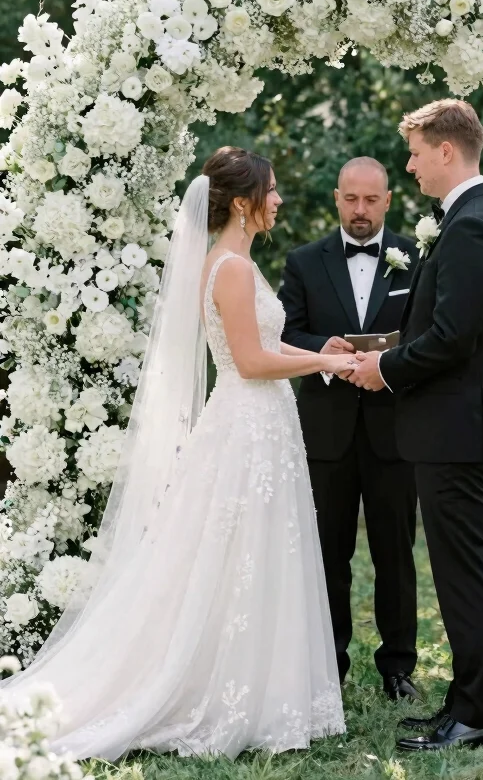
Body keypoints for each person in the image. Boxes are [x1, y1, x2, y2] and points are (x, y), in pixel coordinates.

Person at [1, 147, 352, 760]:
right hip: (247, 424)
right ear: (243, 203)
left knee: (246, 554)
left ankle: (253, 684)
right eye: (271, 191)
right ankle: (218, 691)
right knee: (236, 553)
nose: (278, 201)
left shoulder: (232, 260)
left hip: (259, 421)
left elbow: (260, 346)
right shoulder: (233, 268)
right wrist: (323, 362)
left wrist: (320, 349)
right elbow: (248, 362)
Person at [349, 100, 483, 753]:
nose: (410, 165)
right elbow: (446, 330)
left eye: (417, 152)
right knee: (457, 571)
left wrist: (384, 369)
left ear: (447, 151)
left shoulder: (473, 227)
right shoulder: (469, 221)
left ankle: (476, 716)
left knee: (464, 572)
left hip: (454, 430)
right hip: (449, 427)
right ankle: (465, 703)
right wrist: (385, 352)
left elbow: (452, 339)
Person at [278, 157, 420, 700]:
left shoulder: (417, 258)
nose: (360, 211)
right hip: (327, 431)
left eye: (371, 200)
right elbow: (284, 329)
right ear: (337, 198)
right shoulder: (303, 262)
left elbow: (430, 329)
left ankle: (398, 667)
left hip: (394, 428)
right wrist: (321, 347)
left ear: (387, 201)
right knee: (328, 554)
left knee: (396, 555)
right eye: (351, 200)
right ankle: (327, 664)